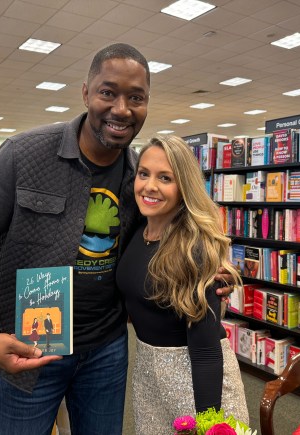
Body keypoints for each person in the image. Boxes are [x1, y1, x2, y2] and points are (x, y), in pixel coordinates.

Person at [0, 43, 233, 435]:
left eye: (136, 97)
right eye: (108, 92)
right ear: (85, 93)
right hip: (27, 350)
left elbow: (169, 236)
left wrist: (211, 270)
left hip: (106, 352)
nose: (121, 109)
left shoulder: (139, 177)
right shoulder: (24, 154)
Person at [116, 135, 249, 434]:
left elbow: (206, 351)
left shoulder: (193, 249)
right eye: (143, 174)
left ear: (184, 186)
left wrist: (209, 422)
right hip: (149, 375)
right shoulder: (138, 229)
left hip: (196, 380)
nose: (150, 186)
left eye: (165, 178)